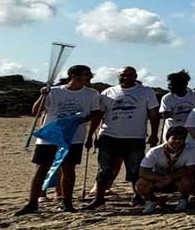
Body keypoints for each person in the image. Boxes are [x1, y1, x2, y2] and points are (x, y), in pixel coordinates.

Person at [17, 65, 103, 215]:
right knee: (41, 168)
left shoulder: (92, 94)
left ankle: (67, 202)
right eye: (86, 75)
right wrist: (42, 95)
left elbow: (96, 113)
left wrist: (78, 120)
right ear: (74, 76)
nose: (90, 78)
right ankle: (32, 203)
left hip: (73, 137)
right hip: (50, 136)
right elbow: (35, 111)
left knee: (68, 169)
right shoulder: (55, 91)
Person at [87, 66, 160, 210]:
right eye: (123, 75)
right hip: (109, 136)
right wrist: (90, 135)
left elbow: (153, 114)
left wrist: (153, 134)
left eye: (130, 75)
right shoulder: (108, 92)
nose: (126, 77)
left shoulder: (146, 92)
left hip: (134, 137)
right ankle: (99, 198)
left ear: (136, 76)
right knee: (104, 170)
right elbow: (99, 116)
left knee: (135, 170)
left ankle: (138, 197)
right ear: (118, 76)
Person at [136, 126, 195, 213]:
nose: (177, 141)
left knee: (188, 180)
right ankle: (152, 201)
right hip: (159, 180)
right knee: (140, 184)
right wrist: (161, 179)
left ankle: (183, 199)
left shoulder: (192, 149)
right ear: (167, 138)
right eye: (174, 138)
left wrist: (170, 177)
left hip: (177, 179)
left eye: (181, 138)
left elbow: (191, 169)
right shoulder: (155, 151)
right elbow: (143, 171)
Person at [159, 70, 195, 135]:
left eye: (171, 85)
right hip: (173, 129)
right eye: (168, 85)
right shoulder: (167, 98)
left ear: (183, 84)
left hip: (191, 130)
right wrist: (165, 114)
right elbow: (164, 115)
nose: (169, 87)